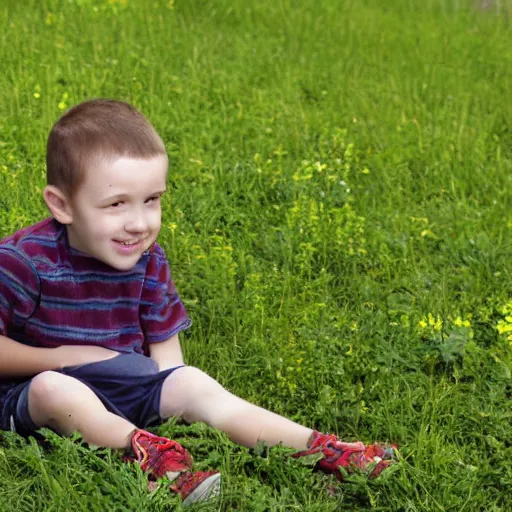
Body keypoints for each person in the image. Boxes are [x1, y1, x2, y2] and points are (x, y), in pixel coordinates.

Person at [0, 99, 396, 506]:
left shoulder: (148, 259)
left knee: (193, 382)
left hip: (125, 386)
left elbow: (167, 361)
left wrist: (177, 393)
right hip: (35, 395)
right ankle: (153, 462)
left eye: (151, 200)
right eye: (117, 204)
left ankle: (327, 451)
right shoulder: (23, 261)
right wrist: (66, 356)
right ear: (62, 204)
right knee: (56, 389)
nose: (139, 223)